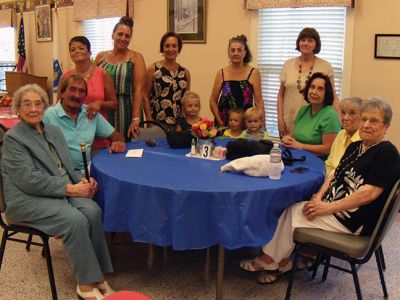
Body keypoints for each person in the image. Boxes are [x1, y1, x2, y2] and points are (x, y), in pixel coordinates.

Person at [239, 98, 400, 284]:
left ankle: (270, 260)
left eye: (374, 121)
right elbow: (334, 174)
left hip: (353, 219)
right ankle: (280, 261)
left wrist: (326, 208)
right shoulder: (357, 146)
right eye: (364, 119)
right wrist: (319, 197)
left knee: (293, 213)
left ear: (386, 126)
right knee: (295, 208)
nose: (366, 125)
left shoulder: (387, 153)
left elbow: (368, 194)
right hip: (335, 207)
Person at [1, 84, 115, 299]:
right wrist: (71, 189)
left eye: (38, 103)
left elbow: (67, 165)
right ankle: (86, 285)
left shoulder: (52, 130)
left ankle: (98, 276)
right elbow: (29, 181)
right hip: (27, 198)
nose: (33, 109)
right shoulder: (13, 139)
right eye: (27, 104)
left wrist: (83, 181)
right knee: (75, 220)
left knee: (92, 211)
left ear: (45, 106)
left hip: (60, 189)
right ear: (18, 108)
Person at [44, 74, 126, 172]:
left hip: (87, 173)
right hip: (59, 174)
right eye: (73, 89)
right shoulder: (48, 115)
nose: (77, 95)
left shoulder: (91, 113)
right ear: (62, 93)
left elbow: (117, 136)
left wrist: (118, 142)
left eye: (81, 91)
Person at [57, 36, 118, 150]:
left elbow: (114, 104)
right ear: (70, 55)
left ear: (89, 53)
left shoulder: (102, 74)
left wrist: (100, 103)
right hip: (73, 136)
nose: (77, 51)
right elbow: (58, 106)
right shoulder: (65, 77)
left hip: (98, 132)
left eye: (81, 48)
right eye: (73, 49)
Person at [277, 27, 340, 136]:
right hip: (289, 119)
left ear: (316, 44)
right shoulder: (288, 64)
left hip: (314, 122)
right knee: (287, 151)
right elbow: (281, 96)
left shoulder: (325, 66)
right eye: (303, 40)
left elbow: (333, 96)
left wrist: (338, 121)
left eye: (310, 41)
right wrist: (280, 119)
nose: (305, 43)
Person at [94, 16, 146, 140]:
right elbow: (91, 81)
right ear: (113, 35)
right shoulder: (101, 56)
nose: (123, 38)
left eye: (127, 36)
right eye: (120, 34)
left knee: (127, 149)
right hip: (104, 110)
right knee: (105, 148)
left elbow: (139, 90)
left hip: (127, 111)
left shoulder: (136, 58)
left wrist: (135, 118)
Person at [282, 72, 341, 160]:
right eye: (312, 87)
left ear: (327, 93)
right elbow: (292, 134)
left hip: (318, 161)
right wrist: (287, 139)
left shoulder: (330, 115)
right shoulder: (303, 110)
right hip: (297, 156)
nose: (314, 92)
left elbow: (328, 149)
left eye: (320, 89)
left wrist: (300, 146)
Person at [209, 34, 265, 127]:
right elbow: (212, 101)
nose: (235, 53)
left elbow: (258, 102)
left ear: (245, 52)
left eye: (239, 50)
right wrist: (219, 121)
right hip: (224, 122)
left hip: (246, 123)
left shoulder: (254, 73)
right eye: (232, 50)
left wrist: (262, 123)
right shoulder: (221, 73)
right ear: (228, 53)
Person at [143, 31, 191, 129]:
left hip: (179, 125)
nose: (171, 49)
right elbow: (145, 95)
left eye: (174, 46)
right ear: (162, 48)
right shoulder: (153, 69)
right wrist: (149, 120)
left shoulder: (185, 72)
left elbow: (186, 100)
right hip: (157, 122)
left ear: (179, 49)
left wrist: (184, 123)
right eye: (167, 46)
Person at [325, 97, 362, 176]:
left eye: (352, 113)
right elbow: (329, 162)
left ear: (361, 117)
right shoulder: (341, 134)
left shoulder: (363, 141)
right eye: (343, 113)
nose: (345, 118)